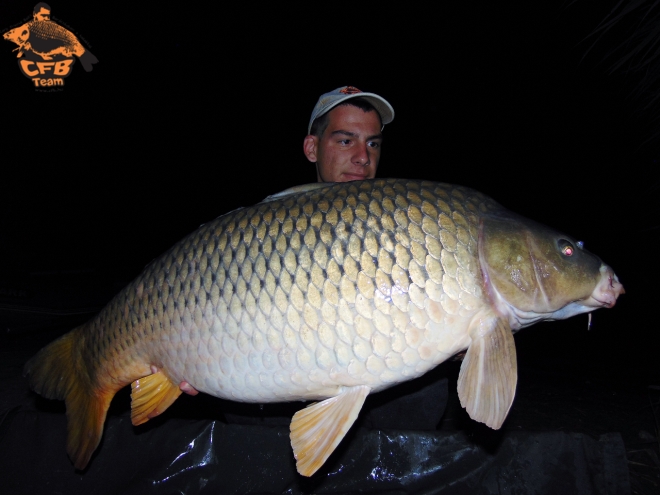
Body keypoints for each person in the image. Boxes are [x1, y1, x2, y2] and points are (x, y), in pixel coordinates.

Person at [303, 86, 394, 183]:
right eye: (346, 141)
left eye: (372, 144)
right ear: (312, 148)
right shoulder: (288, 198)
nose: (364, 158)